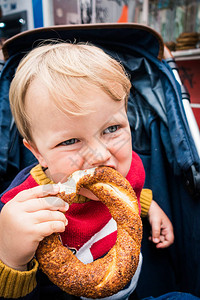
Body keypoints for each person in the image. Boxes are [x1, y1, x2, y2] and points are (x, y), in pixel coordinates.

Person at [0, 42, 174, 300]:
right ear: (37, 153)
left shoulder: (128, 166)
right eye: (70, 141)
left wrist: (149, 206)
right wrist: (11, 257)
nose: (101, 156)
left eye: (112, 129)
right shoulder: (22, 208)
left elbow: (131, 191)